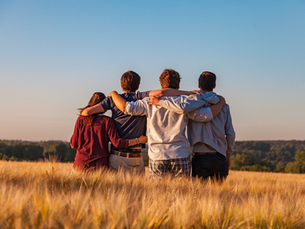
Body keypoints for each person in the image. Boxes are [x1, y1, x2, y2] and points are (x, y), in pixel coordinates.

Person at [108, 69, 225, 179]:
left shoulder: (148, 102)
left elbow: (127, 108)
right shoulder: (186, 102)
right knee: (182, 194)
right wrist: (221, 102)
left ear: (161, 85)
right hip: (180, 153)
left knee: (158, 195)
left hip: (157, 154)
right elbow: (205, 116)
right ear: (178, 86)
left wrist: (113, 94)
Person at [80, 70, 194, 174]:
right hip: (137, 156)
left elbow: (86, 112)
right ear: (138, 85)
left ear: (121, 85)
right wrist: (189, 93)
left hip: (117, 156)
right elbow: (162, 92)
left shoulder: (112, 99)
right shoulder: (140, 97)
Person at [151, 71, 235, 181]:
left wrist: (160, 102)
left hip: (200, 157)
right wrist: (228, 155)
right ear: (214, 85)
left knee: (199, 195)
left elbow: (181, 108)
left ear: (199, 85)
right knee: (219, 196)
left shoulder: (191, 104)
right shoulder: (224, 106)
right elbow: (230, 134)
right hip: (220, 157)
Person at [70, 92, 147, 172]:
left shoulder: (81, 119)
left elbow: (73, 144)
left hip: (80, 165)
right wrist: (138, 140)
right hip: (99, 166)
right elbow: (117, 143)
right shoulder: (107, 121)